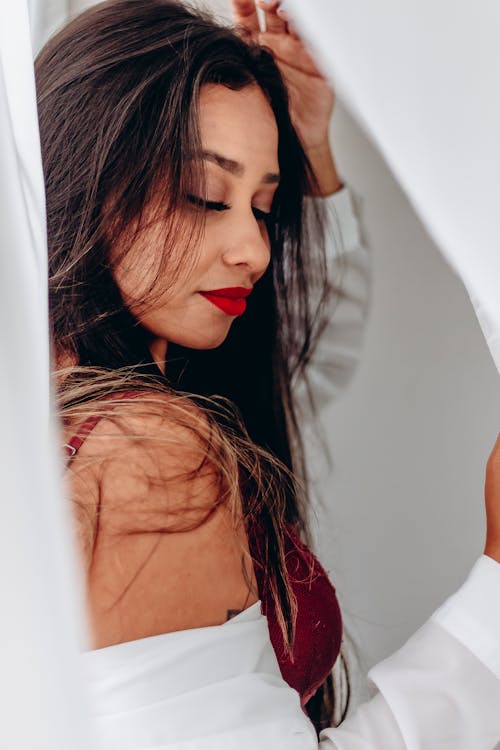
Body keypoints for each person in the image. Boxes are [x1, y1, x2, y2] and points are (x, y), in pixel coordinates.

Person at [35, 0, 500, 747]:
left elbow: (310, 352)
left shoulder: (70, 419)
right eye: (206, 196)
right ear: (87, 175)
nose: (253, 250)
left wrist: (308, 143)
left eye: (262, 206)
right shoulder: (147, 457)